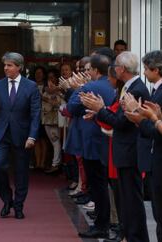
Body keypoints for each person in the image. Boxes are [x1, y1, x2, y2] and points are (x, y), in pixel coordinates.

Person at [84, 51, 150, 242]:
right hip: (125, 150)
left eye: (115, 68)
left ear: (121, 69)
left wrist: (100, 110)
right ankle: (129, 235)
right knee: (126, 200)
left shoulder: (135, 89)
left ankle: (136, 237)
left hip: (130, 151)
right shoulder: (129, 86)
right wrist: (99, 112)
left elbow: (120, 122)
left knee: (132, 200)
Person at [0, 52, 41, 219]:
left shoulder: (31, 86)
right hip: (1, 135)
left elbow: (35, 114)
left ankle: (18, 205)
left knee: (21, 172)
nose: (6, 68)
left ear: (19, 67)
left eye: (9, 65)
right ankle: (7, 200)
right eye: (5, 65)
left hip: (23, 136)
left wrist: (32, 136)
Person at [67, 54, 115, 239]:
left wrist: (78, 88)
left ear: (94, 70)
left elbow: (72, 107)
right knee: (104, 183)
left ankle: (101, 224)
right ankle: (104, 220)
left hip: (92, 139)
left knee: (97, 184)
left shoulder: (89, 86)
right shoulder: (112, 86)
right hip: (107, 138)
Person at [123, 50, 162, 242]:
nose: (144, 73)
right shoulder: (156, 89)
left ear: (156, 69)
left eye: (146, 69)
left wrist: (140, 118)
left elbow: (155, 128)